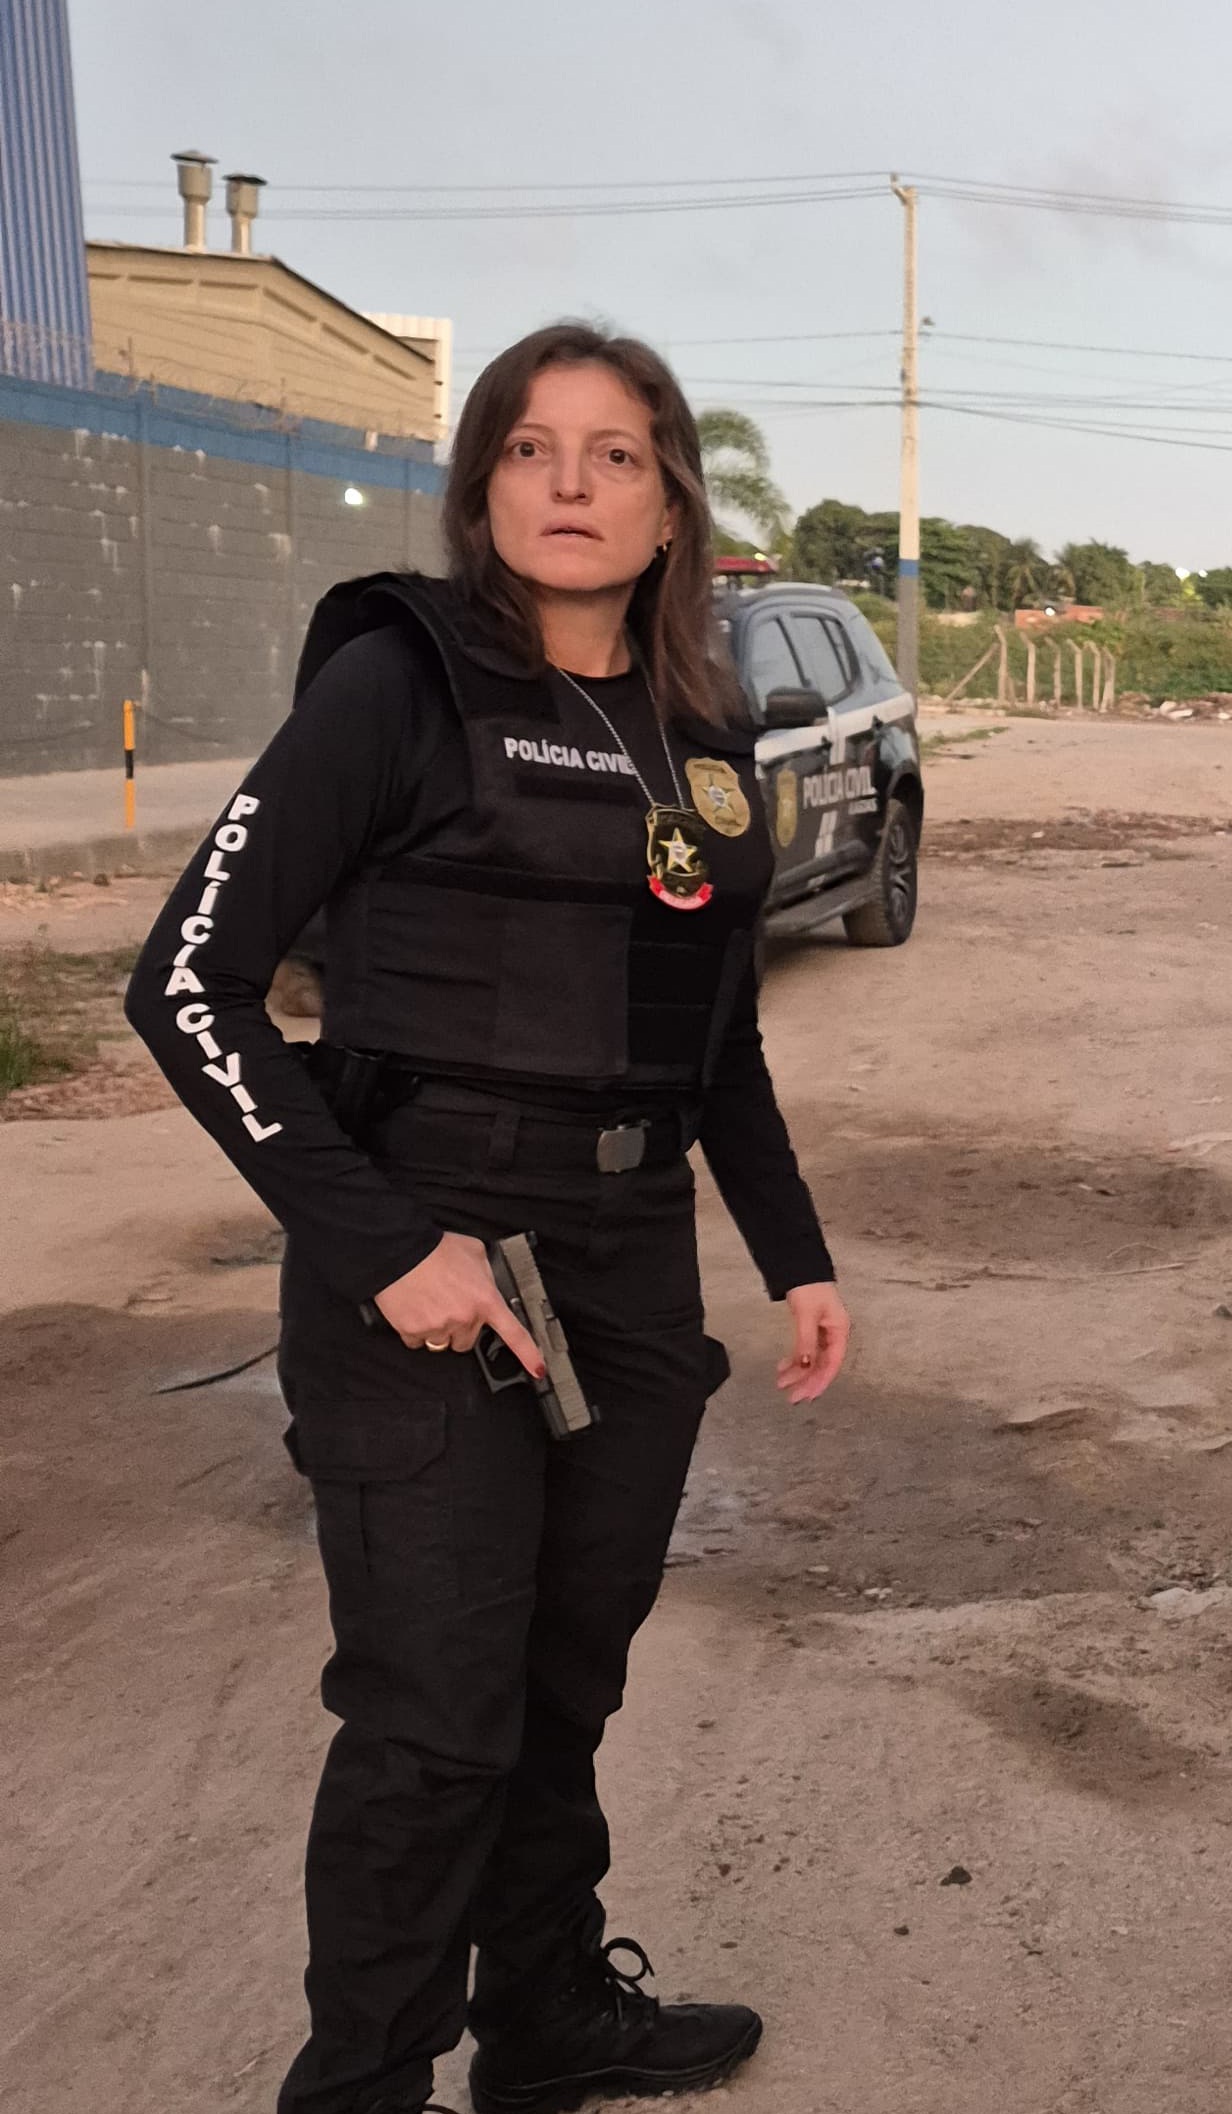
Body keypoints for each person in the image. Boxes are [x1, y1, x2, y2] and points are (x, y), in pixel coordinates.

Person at [126, 322, 850, 2114]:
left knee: (561, 1682)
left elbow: (719, 1037)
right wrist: (386, 1247)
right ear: (481, 489)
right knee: (436, 1716)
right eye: (531, 448)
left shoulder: (706, 732)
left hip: (629, 1257)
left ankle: (545, 2020)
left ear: (673, 502)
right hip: (429, 1252)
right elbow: (189, 985)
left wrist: (795, 1252)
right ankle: (362, 2085)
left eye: (616, 453)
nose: (571, 483)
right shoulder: (397, 684)